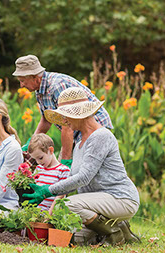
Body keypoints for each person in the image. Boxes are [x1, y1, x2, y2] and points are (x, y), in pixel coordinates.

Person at [23, 87, 140, 246]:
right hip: (98, 205)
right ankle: (120, 227)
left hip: (120, 198)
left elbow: (84, 178)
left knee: (70, 205)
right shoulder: (78, 145)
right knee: (76, 238)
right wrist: (49, 210)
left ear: (78, 114)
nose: (64, 121)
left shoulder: (101, 136)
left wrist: (47, 191)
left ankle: (115, 233)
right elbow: (71, 180)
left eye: (65, 116)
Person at [12, 55, 113, 168]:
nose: (21, 85)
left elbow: (67, 125)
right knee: (64, 171)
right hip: (75, 129)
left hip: (92, 125)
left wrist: (65, 161)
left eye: (22, 81)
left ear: (35, 77)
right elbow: (46, 120)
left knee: (79, 170)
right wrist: (30, 143)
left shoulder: (56, 86)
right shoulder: (39, 90)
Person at [28, 133, 71, 213]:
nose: (38, 162)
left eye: (40, 158)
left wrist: (49, 215)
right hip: (36, 213)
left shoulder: (63, 170)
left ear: (51, 150)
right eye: (35, 159)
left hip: (52, 214)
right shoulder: (38, 169)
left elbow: (60, 197)